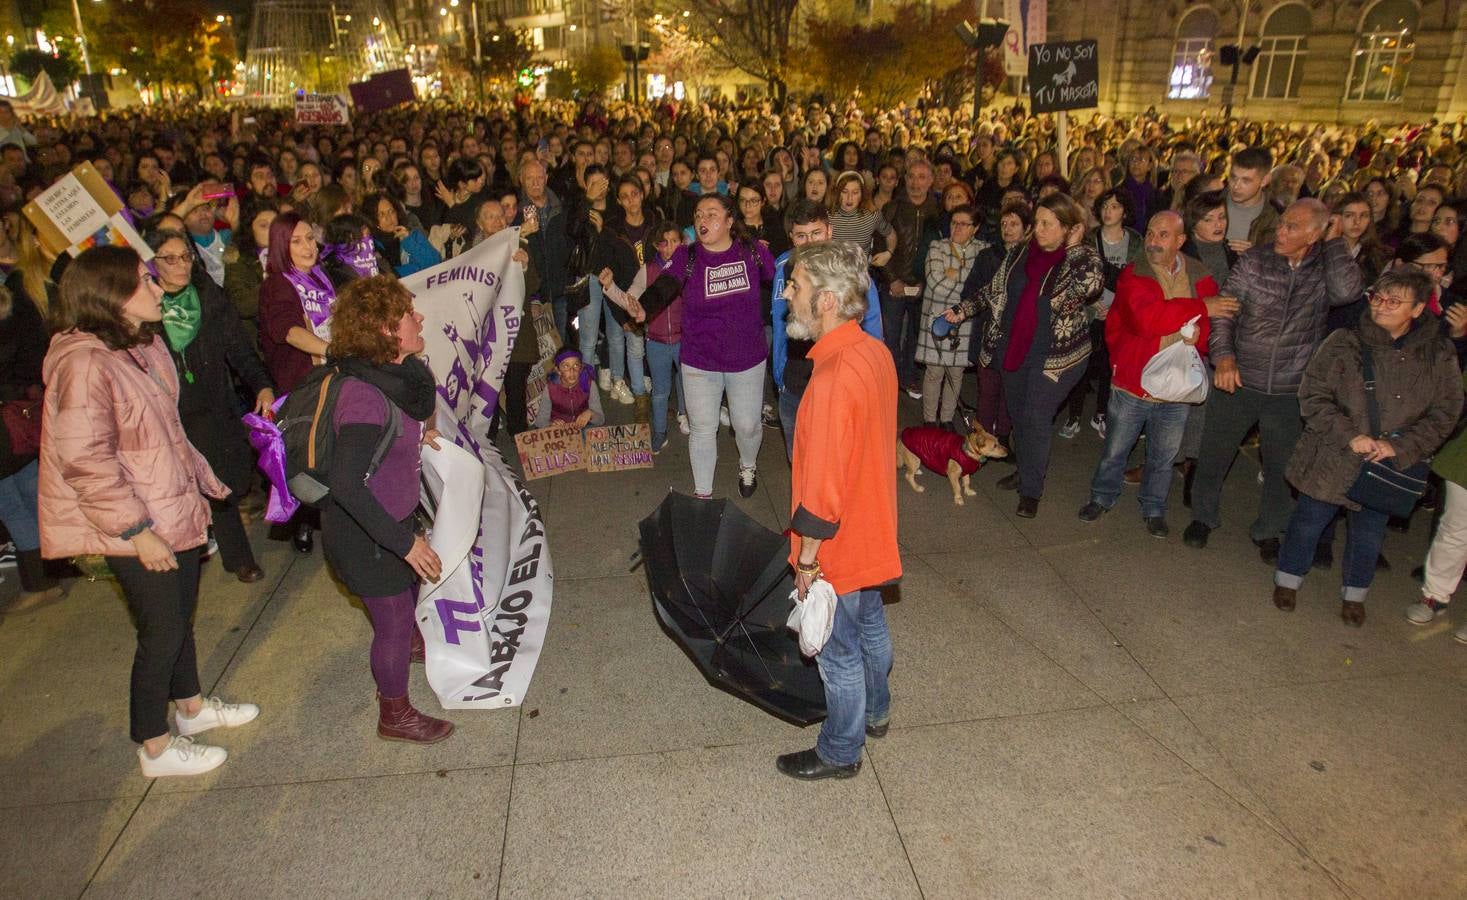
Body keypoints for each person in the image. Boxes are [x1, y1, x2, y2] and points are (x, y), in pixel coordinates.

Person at [39, 246, 256, 777]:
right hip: (133, 525)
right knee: (160, 631)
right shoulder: (83, 364)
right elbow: (85, 462)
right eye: (145, 281)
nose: (159, 288)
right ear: (110, 295)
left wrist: (204, 479)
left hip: (169, 507)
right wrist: (137, 531)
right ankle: (154, 745)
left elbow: (166, 433)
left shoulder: (142, 345)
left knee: (179, 619)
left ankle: (191, 709)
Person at [775, 239, 901, 782]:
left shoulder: (829, 380)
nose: (786, 295)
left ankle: (840, 750)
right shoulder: (874, 351)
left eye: (796, 286)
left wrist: (807, 564)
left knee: (837, 651)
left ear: (826, 300)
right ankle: (878, 710)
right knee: (871, 623)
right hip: (875, 528)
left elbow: (821, 495)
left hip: (839, 544)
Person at [1271, 269, 1461, 626]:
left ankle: (1355, 594)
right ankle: (1288, 579)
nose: (1382, 307)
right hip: (1335, 451)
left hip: (1389, 462)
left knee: (1370, 531)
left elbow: (1447, 411)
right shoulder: (1345, 341)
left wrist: (1400, 446)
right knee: (1309, 520)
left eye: (1394, 301)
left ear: (1418, 309)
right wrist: (1350, 436)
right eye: (1378, 297)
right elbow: (1312, 394)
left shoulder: (1438, 353)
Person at [1184, 199, 1366, 558]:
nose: (1281, 231)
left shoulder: (1323, 267)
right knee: (1215, 452)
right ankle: (1203, 517)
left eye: (1292, 227)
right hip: (1240, 378)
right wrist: (1223, 357)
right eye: (1282, 223)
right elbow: (1224, 312)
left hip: (1290, 387)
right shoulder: (1255, 260)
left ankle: (1268, 528)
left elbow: (1348, 292)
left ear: (1314, 234)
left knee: (1282, 465)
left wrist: (1334, 243)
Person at [319, 275, 452, 743]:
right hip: (364, 534)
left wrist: (421, 436)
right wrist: (404, 543)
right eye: (408, 315)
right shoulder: (362, 395)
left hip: (391, 520)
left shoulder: (401, 377)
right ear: (383, 330)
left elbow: (395, 431)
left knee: (408, 599)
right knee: (392, 620)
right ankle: (394, 714)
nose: (419, 319)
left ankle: (413, 646)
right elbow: (347, 485)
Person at [947, 193, 1103, 518]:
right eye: (1038, 222)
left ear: (1068, 229)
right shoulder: (1019, 252)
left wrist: (1072, 247)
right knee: (1020, 416)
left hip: (1056, 357)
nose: (1039, 230)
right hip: (1014, 349)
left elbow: (1089, 286)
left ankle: (1032, 490)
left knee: (1035, 417)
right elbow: (994, 290)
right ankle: (1027, 471)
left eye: (1049, 224)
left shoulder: (1080, 258)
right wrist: (963, 309)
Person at [1077, 211, 1223, 536]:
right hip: (1133, 380)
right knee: (1116, 449)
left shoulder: (1200, 276)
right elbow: (1147, 319)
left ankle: (1154, 507)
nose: (1154, 241)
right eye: (1151, 233)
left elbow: (1213, 324)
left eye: (1163, 235)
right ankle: (1102, 497)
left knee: (1164, 456)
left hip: (1177, 386)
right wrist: (1200, 308)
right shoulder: (1135, 273)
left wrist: (1200, 331)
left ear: (1180, 241)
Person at [624, 193, 775, 498]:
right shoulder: (687, 256)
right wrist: (644, 307)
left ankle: (748, 465)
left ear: (730, 221)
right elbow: (665, 286)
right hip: (699, 359)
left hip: (746, 358)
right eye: (698, 215)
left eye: (712, 214)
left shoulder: (751, 252)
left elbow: (777, 277)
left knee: (747, 425)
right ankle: (702, 494)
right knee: (703, 428)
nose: (703, 221)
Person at [148, 229, 275, 583]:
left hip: (214, 403)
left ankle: (232, 552)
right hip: (168, 412)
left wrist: (261, 384)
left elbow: (237, 346)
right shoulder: (145, 306)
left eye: (185, 256)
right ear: (152, 263)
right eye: (169, 258)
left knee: (223, 480)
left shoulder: (207, 296)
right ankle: (213, 556)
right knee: (181, 487)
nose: (180, 265)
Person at [770, 200, 884, 460]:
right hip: (796, 379)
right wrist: (779, 375)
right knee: (798, 459)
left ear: (829, 231)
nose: (809, 242)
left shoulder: (850, 268)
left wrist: (871, 377)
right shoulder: (784, 268)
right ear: (792, 237)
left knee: (836, 461)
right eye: (801, 235)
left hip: (839, 380)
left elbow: (872, 321)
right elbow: (779, 322)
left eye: (816, 233)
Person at [258, 211, 334, 555]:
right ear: (280, 246)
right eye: (297, 240)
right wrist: (334, 350)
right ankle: (306, 524)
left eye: (310, 238)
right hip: (301, 386)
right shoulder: (277, 284)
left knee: (325, 459)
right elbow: (288, 331)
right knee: (309, 460)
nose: (308, 246)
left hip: (327, 379)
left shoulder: (320, 278)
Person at [0, 276, 63, 614]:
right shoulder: (15, 306)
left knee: (11, 505)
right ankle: (54, 563)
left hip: (6, 425)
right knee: (31, 494)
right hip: (18, 420)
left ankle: (40, 582)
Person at [601, 222, 687, 452]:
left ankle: (688, 418)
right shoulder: (648, 270)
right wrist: (610, 287)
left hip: (685, 340)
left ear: (683, 243)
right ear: (657, 246)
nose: (669, 247)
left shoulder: (689, 269)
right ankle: (659, 432)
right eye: (663, 242)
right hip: (657, 341)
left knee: (689, 384)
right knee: (659, 392)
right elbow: (630, 301)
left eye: (675, 241)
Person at [915, 204, 983, 427]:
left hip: (965, 322)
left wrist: (955, 274)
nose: (958, 228)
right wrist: (967, 280)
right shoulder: (937, 246)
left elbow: (980, 286)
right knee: (934, 373)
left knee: (956, 374)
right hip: (937, 320)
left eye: (964, 224)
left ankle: (946, 419)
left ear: (976, 228)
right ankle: (929, 420)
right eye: (954, 223)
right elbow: (935, 284)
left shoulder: (982, 250)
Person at [881, 159, 940, 396]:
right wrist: (892, 278)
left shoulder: (938, 212)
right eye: (912, 176)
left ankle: (909, 377)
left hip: (922, 285)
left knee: (916, 336)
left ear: (931, 181)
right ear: (904, 179)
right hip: (893, 285)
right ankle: (889, 379)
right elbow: (879, 246)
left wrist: (928, 282)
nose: (916, 182)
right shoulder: (892, 208)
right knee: (891, 336)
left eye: (922, 177)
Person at [1224, 147, 1281, 254]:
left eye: (1246, 181)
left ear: (1264, 180)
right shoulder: (1209, 204)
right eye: (1233, 177)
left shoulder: (1277, 216)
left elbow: (1283, 261)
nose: (1236, 186)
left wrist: (1256, 255)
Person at [532, 349, 606, 429]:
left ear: (581, 368)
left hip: (583, 427)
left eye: (576, 365)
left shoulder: (589, 384)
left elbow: (601, 420)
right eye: (566, 366)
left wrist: (591, 414)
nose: (572, 371)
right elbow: (540, 421)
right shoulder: (550, 388)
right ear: (558, 370)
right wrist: (551, 424)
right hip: (559, 431)